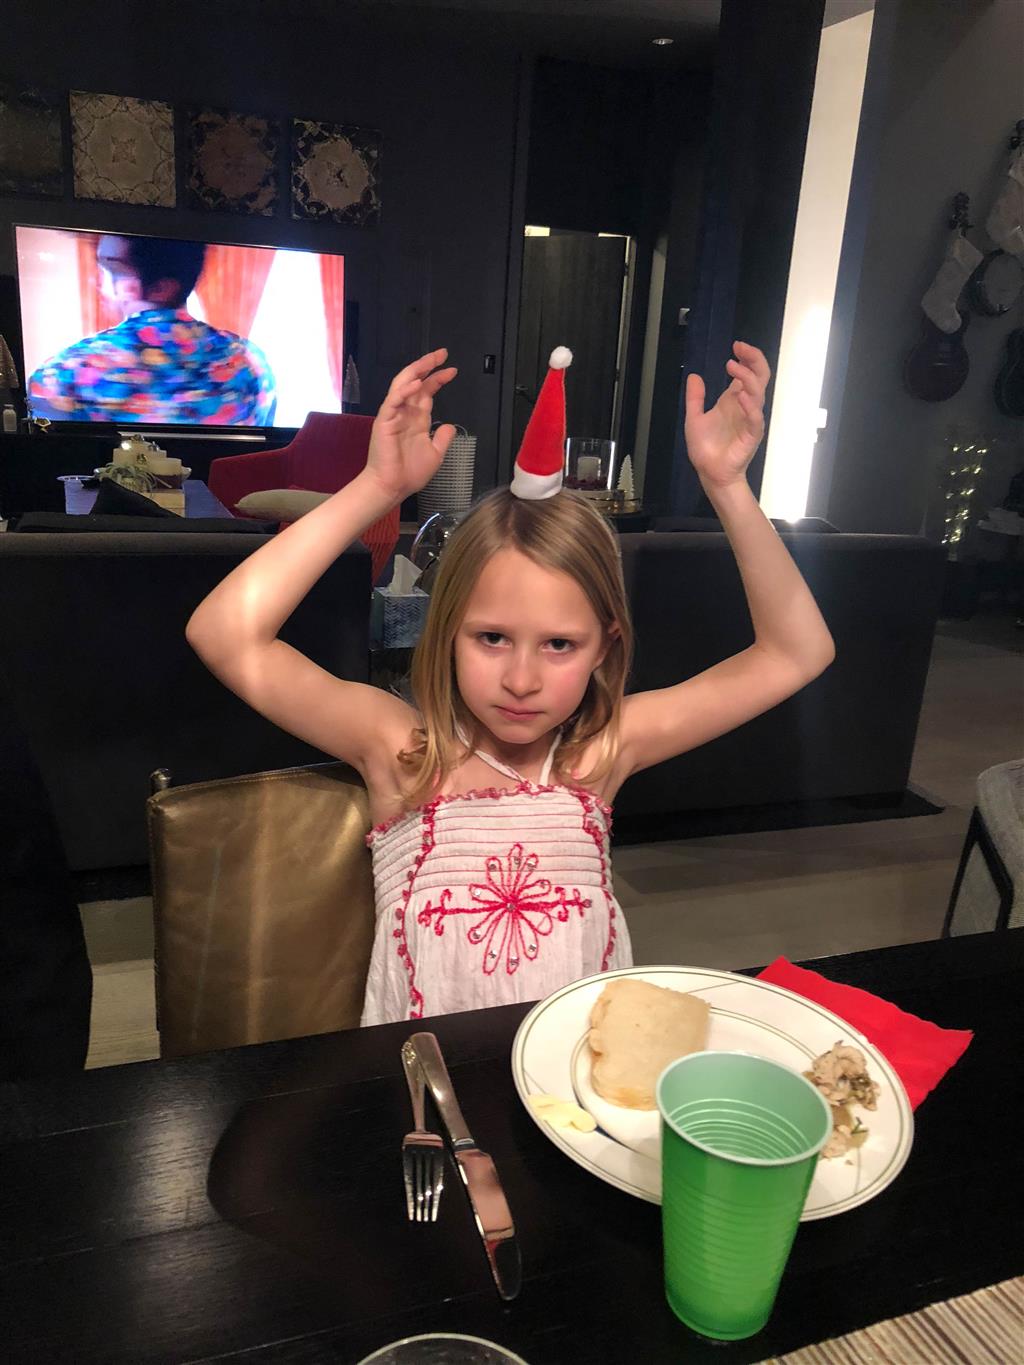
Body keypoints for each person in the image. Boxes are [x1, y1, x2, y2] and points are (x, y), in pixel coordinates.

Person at [186, 342, 835, 1025]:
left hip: (573, 1084)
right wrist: (376, 489)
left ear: (605, 645)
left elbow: (796, 652)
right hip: (428, 1085)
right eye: (491, 637)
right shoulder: (400, 750)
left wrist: (728, 487)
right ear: (446, 632)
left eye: (560, 644)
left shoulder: (601, 753)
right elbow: (224, 634)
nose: (521, 680)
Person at [28, 233, 277, 426]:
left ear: (162, 288)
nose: (98, 281)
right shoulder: (249, 361)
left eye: (112, 269)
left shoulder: (65, 372)